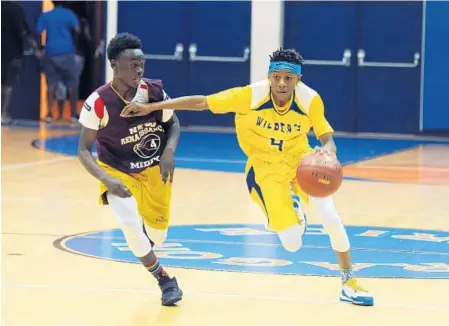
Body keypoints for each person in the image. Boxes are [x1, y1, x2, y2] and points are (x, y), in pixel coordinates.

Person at [120, 48, 374, 306]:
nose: (282, 83)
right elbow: (202, 102)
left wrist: (326, 153)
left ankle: (349, 282)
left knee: (331, 217)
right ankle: (292, 208)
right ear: (269, 76)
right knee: (292, 243)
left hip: (302, 163)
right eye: (277, 77)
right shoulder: (250, 96)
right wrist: (151, 106)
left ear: (298, 79)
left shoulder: (310, 100)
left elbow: (327, 140)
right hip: (265, 170)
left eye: (289, 77)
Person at [77, 33, 183, 306]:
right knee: (129, 224)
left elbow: (173, 123)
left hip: (154, 169)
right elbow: (82, 150)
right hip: (117, 171)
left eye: (141, 63)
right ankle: (165, 280)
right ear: (114, 63)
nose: (139, 69)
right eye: (132, 63)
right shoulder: (98, 102)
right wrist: (105, 179)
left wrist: (169, 152)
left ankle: (146, 240)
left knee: (157, 235)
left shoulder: (154, 92)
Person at [36, 1, 80, 123]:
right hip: (67, 51)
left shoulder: (46, 15)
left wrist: (41, 47)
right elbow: (77, 30)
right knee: (72, 84)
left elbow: (38, 32)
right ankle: (73, 114)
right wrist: (75, 46)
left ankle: (49, 114)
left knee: (51, 84)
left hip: (50, 52)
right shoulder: (69, 14)